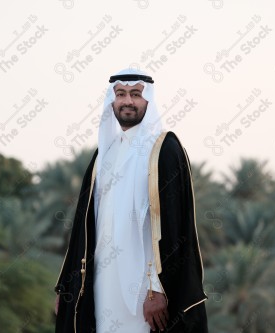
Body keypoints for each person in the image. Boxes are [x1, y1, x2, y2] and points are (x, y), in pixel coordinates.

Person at [54, 68, 208, 333]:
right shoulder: (104, 155)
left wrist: (159, 289)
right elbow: (83, 228)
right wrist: (68, 288)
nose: (128, 101)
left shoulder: (164, 149)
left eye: (136, 94)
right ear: (112, 101)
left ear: (148, 100)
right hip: (102, 281)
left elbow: (174, 225)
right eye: (121, 94)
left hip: (144, 287)